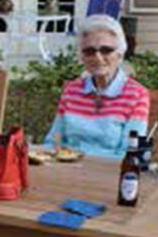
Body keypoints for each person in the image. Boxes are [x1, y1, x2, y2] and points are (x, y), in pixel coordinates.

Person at [41, 14, 150, 160]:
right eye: (89, 51)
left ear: (119, 53)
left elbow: (130, 153)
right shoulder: (71, 90)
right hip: (67, 170)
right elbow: (53, 141)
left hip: (109, 175)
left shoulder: (137, 95)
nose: (97, 57)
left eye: (106, 50)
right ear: (82, 56)